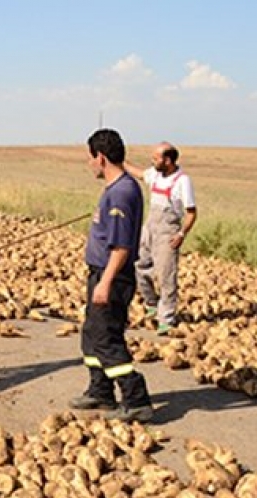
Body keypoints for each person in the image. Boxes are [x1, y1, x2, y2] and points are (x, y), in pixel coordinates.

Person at [68, 128, 154, 423]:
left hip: (112, 277)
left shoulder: (121, 194)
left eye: (89, 158)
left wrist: (105, 282)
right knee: (92, 334)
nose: (88, 164)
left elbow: (121, 247)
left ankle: (136, 397)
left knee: (106, 337)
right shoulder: (118, 187)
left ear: (100, 157)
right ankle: (100, 390)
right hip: (101, 273)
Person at [125, 143, 197, 335]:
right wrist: (119, 161)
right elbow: (139, 174)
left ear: (168, 160)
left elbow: (191, 212)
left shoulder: (182, 181)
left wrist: (182, 233)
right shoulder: (155, 175)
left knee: (166, 275)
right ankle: (151, 303)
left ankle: (166, 318)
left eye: (156, 158)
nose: (152, 161)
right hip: (150, 227)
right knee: (139, 265)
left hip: (168, 230)